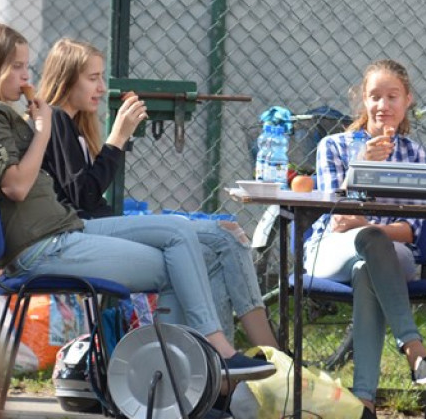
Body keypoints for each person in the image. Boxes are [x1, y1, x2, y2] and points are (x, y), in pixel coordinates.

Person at [0, 23, 275, 383]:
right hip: (48, 245)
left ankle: (196, 378)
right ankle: (203, 367)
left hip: (61, 234)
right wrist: (42, 131)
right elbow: (17, 186)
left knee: (181, 238)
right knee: (181, 259)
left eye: (27, 66)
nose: (27, 76)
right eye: (18, 67)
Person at [36, 37, 277, 350]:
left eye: (101, 78)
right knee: (223, 236)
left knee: (216, 248)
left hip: (97, 228)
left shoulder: (73, 126)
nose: (100, 88)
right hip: (82, 234)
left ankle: (213, 365)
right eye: (92, 78)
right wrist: (117, 138)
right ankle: (265, 355)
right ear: (66, 79)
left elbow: (88, 196)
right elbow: (82, 196)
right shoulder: (56, 120)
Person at [307, 59, 426, 419]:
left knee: (368, 260)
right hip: (331, 250)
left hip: (394, 257)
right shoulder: (334, 147)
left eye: (392, 96)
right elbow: (337, 218)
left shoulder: (416, 154)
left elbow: (412, 231)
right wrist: (361, 167)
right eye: (375, 97)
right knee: (367, 246)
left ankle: (366, 405)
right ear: (363, 101)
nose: (383, 105)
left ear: (407, 101)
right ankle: (415, 352)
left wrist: (369, 225)